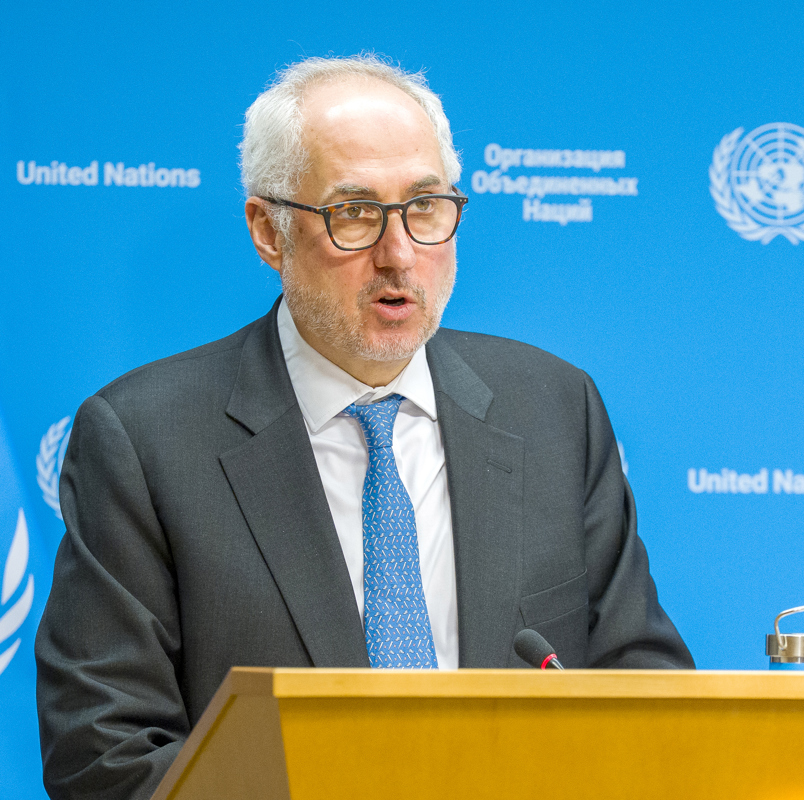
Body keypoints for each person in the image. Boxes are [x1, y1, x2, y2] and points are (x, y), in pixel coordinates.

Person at [35, 54, 692, 800]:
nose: (399, 254)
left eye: (425, 207)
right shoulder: (144, 440)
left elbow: (649, 697)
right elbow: (106, 759)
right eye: (353, 215)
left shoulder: (553, 408)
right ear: (267, 230)